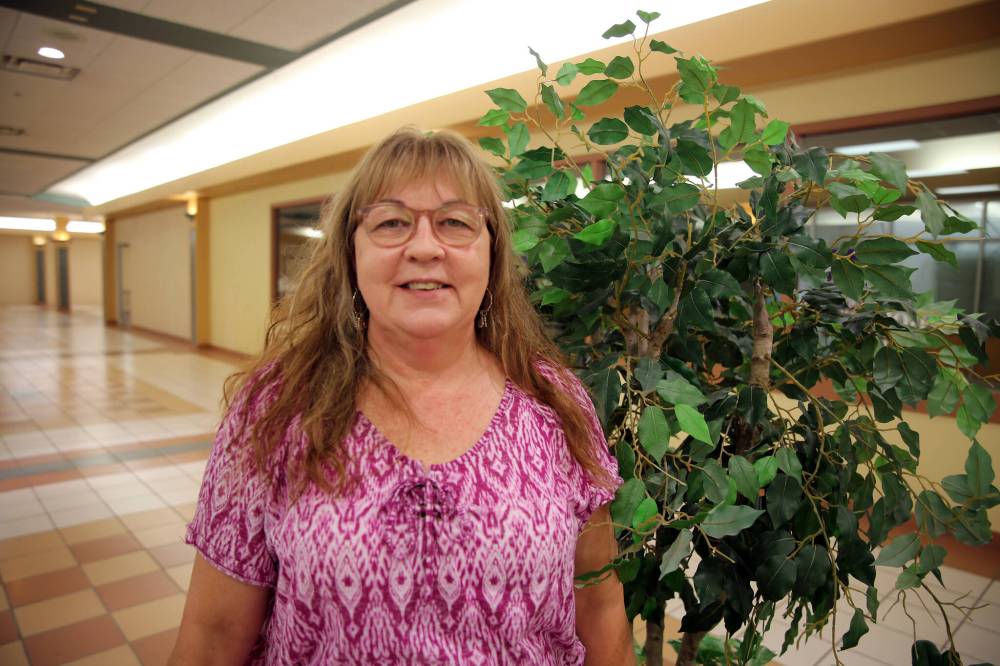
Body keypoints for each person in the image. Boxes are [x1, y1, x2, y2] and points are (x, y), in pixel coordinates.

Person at [168, 127, 634, 665]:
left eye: (455, 223)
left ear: (492, 254)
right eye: (391, 222)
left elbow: (599, 606)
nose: (425, 247)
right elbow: (214, 632)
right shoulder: (277, 407)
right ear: (351, 253)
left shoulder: (554, 403)